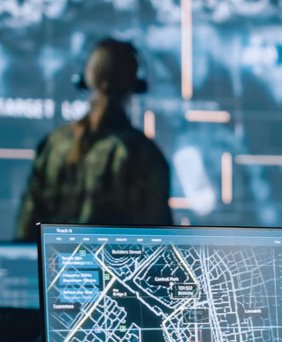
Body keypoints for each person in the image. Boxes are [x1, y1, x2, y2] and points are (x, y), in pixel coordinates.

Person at [14, 38, 172, 242]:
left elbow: (26, 229)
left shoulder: (53, 146)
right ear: (135, 83)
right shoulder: (144, 154)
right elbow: (159, 240)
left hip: (55, 271)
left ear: (86, 78)